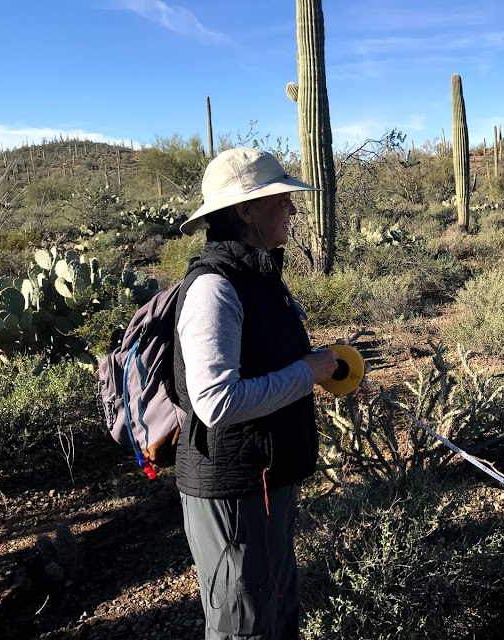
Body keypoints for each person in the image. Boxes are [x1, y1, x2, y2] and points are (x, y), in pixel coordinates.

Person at [173, 147, 338, 640]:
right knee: (243, 625)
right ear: (245, 210)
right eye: (281, 199)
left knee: (275, 615)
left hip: (263, 482)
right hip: (235, 492)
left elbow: (265, 367)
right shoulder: (215, 287)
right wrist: (306, 374)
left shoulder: (257, 275)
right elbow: (215, 402)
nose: (291, 209)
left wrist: (319, 374)